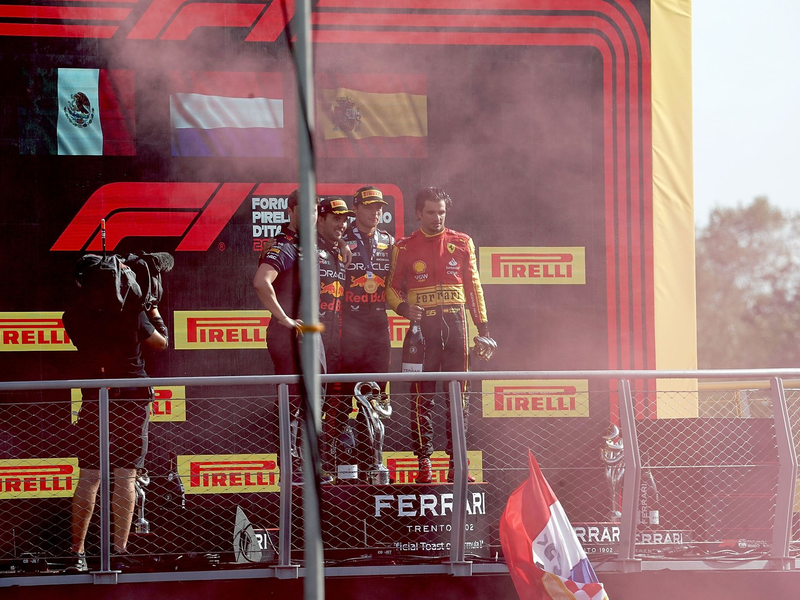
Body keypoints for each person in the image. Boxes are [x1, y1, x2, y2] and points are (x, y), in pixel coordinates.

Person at [63, 256, 169, 572]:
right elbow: (161, 343)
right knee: (124, 474)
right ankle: (118, 552)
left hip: (96, 398)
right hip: (133, 398)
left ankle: (76, 554)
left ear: (81, 283)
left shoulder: (72, 315)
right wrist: (152, 307)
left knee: (90, 475)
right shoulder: (133, 313)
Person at [386, 187, 497, 484]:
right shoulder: (405, 247)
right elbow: (392, 289)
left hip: (457, 327)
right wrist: (404, 307)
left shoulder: (462, 242)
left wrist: (483, 327)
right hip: (423, 334)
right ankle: (424, 465)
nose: (437, 218)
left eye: (442, 212)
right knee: (422, 397)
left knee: (458, 397)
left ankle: (456, 464)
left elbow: (474, 288)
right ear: (418, 213)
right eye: (431, 212)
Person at [340, 186, 394, 391]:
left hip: (379, 325)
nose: (375, 212)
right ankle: (340, 424)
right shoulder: (340, 239)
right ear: (355, 208)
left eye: (379, 207)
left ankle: (371, 424)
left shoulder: (388, 241)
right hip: (347, 325)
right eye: (369, 206)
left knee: (377, 391)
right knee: (343, 392)